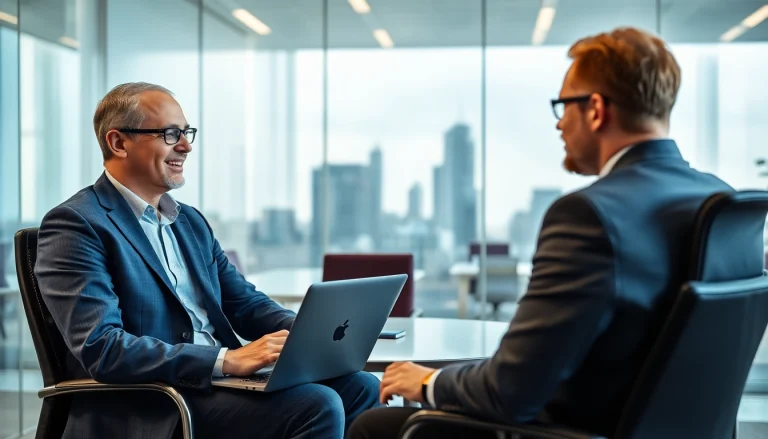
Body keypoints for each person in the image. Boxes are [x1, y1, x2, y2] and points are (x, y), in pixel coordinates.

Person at [348, 27, 733, 439]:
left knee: (374, 425)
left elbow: (510, 393)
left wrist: (427, 383)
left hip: (571, 430)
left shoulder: (589, 216)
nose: (559, 124)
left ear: (596, 110)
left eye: (563, 105)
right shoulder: (719, 200)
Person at [35, 82, 380, 439]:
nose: (184, 145)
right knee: (317, 403)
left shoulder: (189, 222)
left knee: (360, 386)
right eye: (170, 134)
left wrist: (308, 333)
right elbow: (102, 347)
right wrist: (225, 360)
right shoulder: (77, 224)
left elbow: (243, 302)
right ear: (119, 143)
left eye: (186, 133)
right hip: (155, 401)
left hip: (215, 385)